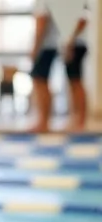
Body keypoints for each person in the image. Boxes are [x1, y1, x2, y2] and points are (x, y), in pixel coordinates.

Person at [31, 0, 89, 133]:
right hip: (66, 43)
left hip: (63, 44)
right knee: (73, 80)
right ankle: (76, 120)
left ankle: (47, 121)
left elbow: (42, 21)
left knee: (71, 80)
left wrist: (69, 40)